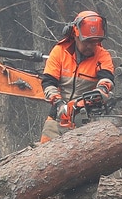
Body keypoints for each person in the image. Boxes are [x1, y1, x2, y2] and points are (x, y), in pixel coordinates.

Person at [40, 10, 116, 143]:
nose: (91, 46)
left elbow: (106, 78)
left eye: (95, 42)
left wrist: (100, 91)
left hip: (88, 115)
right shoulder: (60, 52)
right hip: (59, 116)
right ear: (75, 35)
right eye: (87, 42)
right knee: (45, 151)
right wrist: (59, 104)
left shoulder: (102, 55)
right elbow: (48, 82)